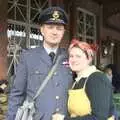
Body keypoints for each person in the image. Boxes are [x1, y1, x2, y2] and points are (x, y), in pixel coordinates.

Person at [6, 6, 73, 120]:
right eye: (50, 27)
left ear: (63, 32)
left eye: (59, 28)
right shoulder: (28, 57)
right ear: (42, 30)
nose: (54, 32)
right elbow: (17, 94)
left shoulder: (70, 57)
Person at [52, 39, 115, 120]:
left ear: (89, 59)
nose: (74, 60)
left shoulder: (96, 79)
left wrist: (64, 119)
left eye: (78, 56)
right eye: (71, 56)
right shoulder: (77, 81)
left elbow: (99, 118)